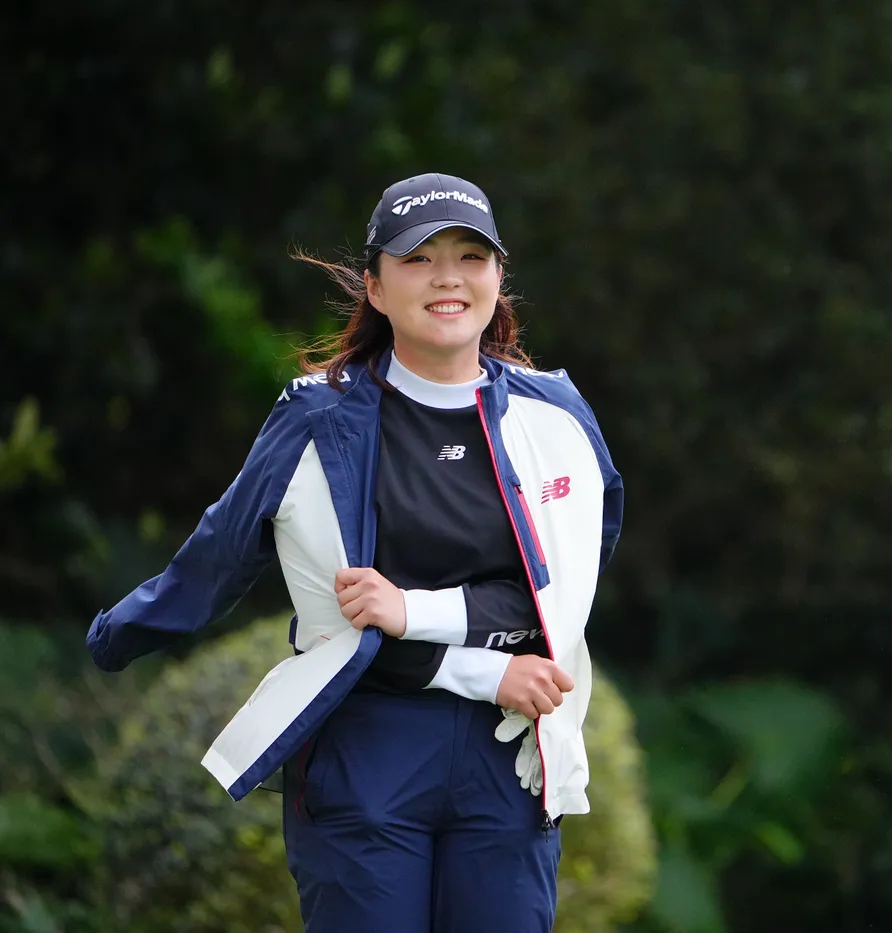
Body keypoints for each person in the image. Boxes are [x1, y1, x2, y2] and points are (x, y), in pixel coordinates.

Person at [86, 171, 624, 932]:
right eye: (418, 258)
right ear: (374, 286)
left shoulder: (557, 413)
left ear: (498, 277)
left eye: (470, 257)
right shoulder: (317, 416)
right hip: (364, 746)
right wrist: (121, 633)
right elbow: (225, 555)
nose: (447, 277)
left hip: (508, 753)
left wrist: (412, 610)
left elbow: (569, 582)